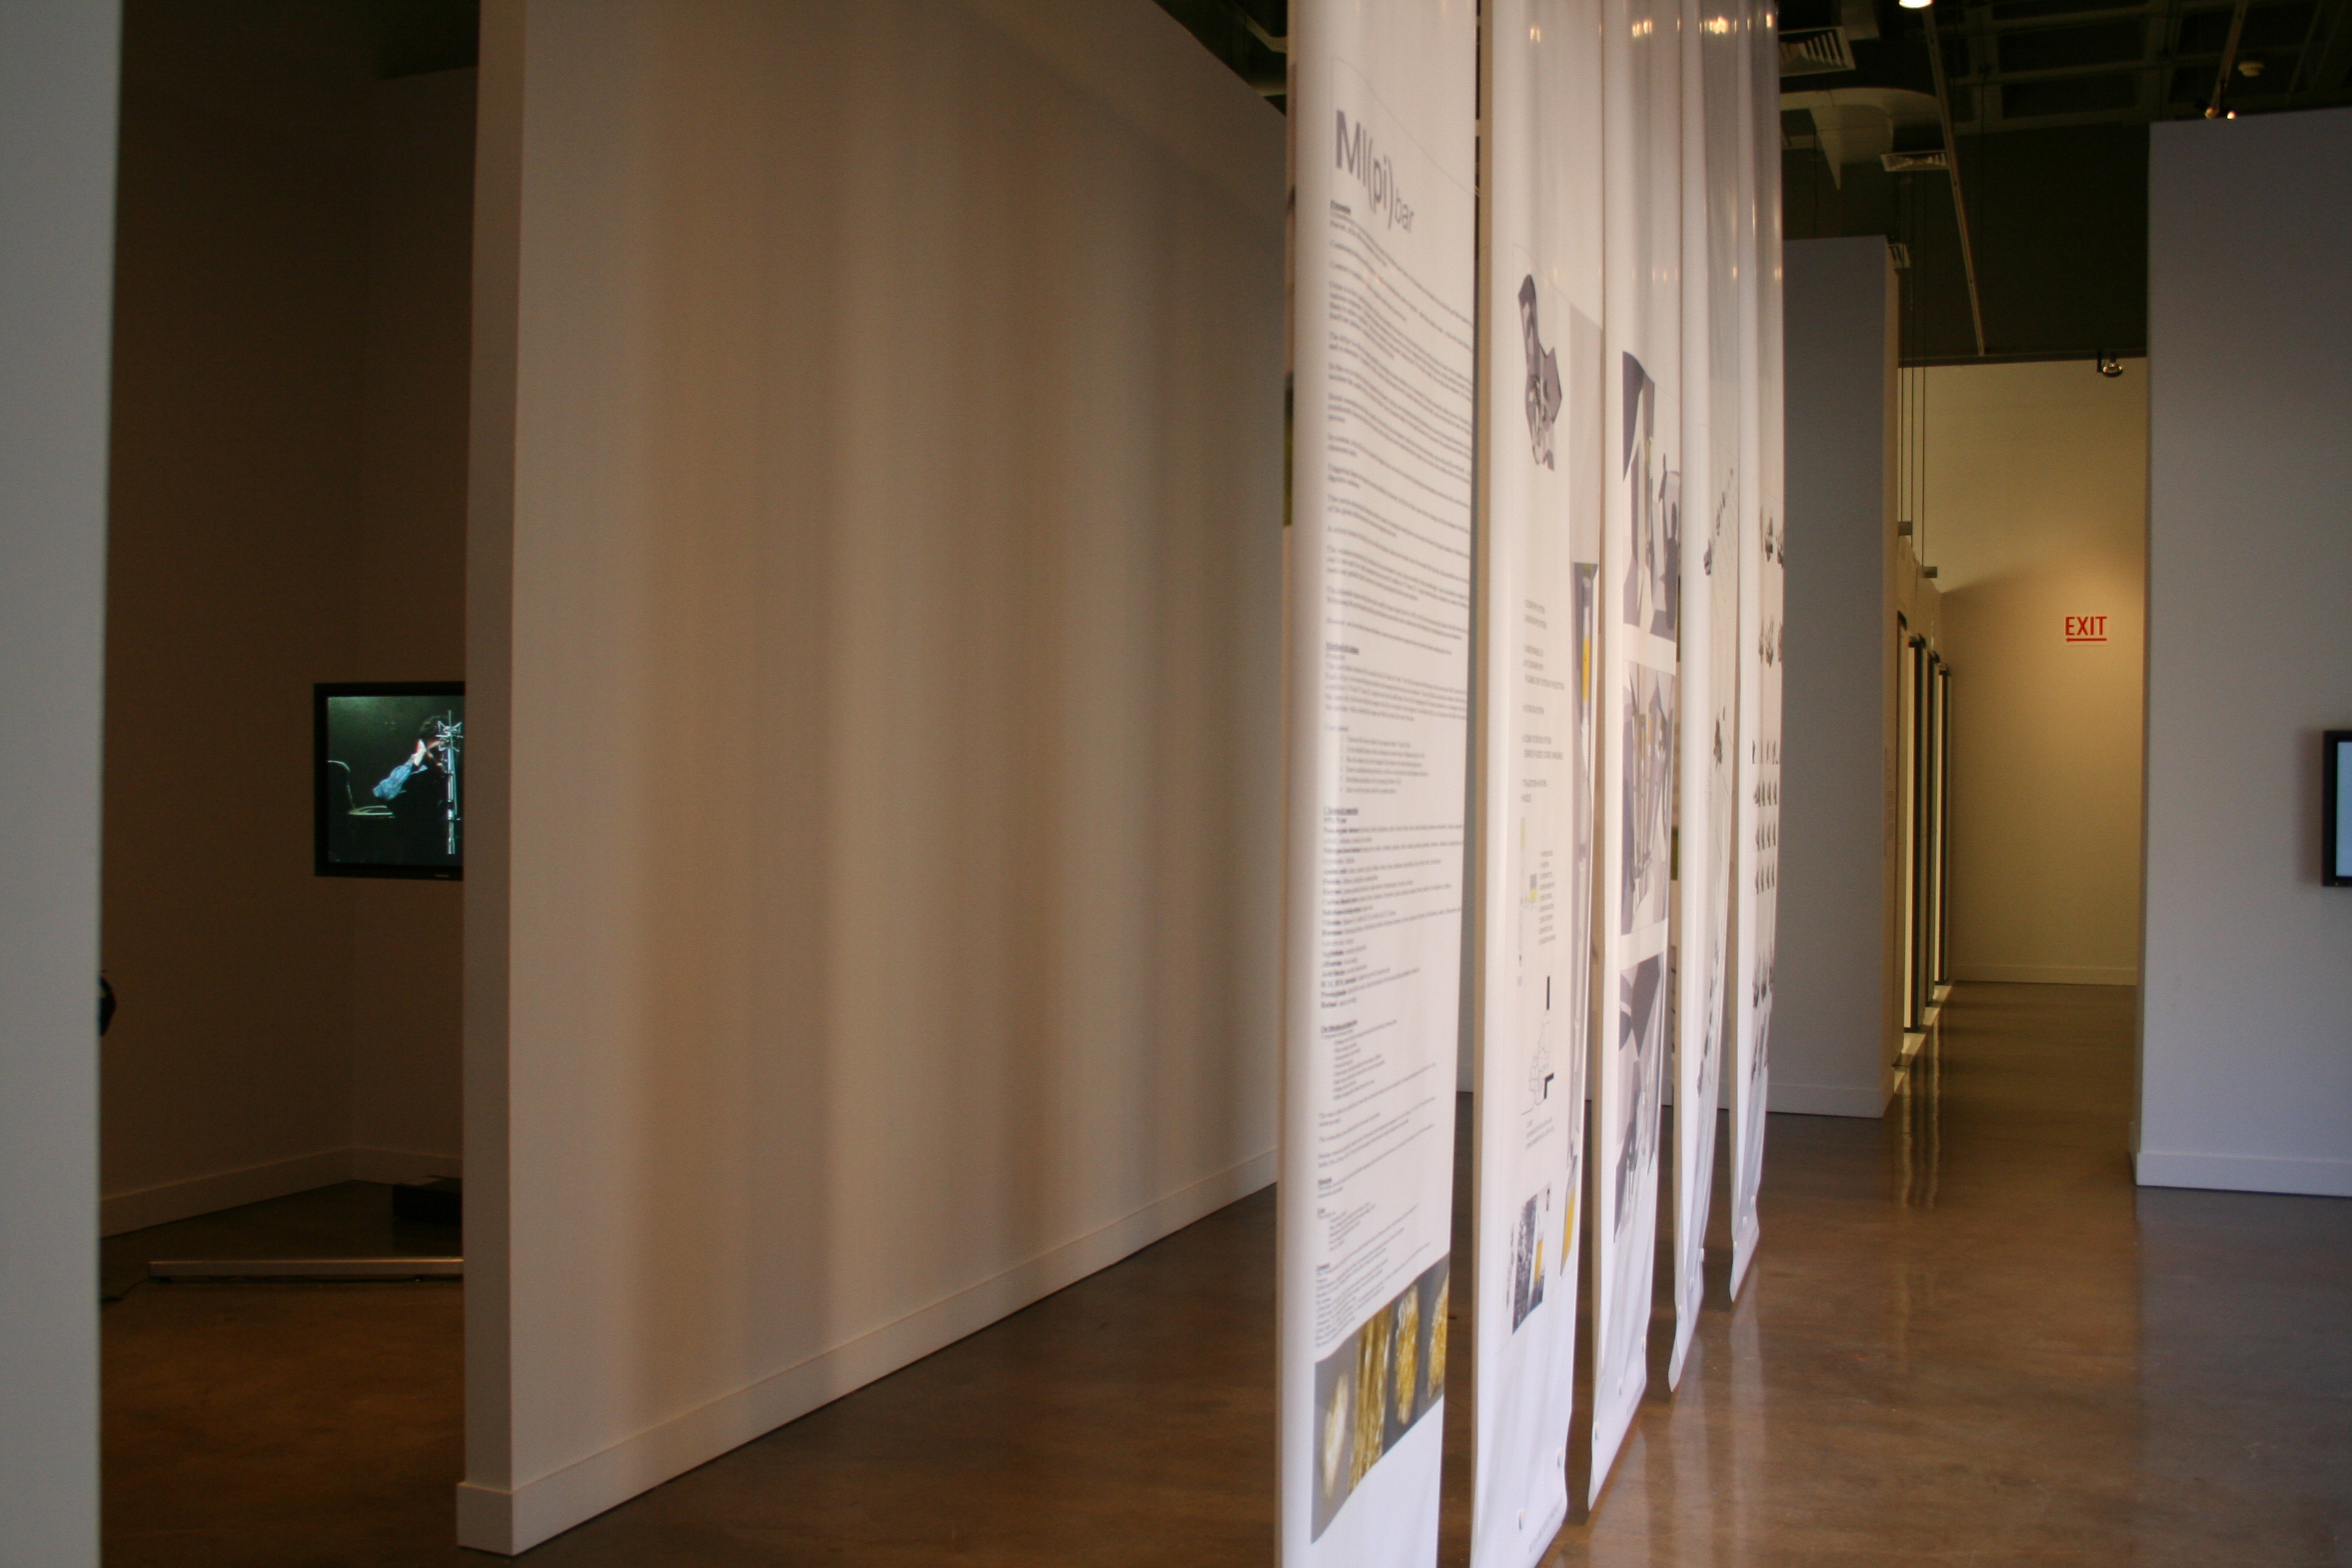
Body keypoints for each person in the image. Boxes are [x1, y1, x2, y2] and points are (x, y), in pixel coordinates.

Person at [374, 715, 455, 860]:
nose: (444, 757)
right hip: (420, 854)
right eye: (438, 751)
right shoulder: (417, 776)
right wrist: (415, 762)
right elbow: (384, 793)